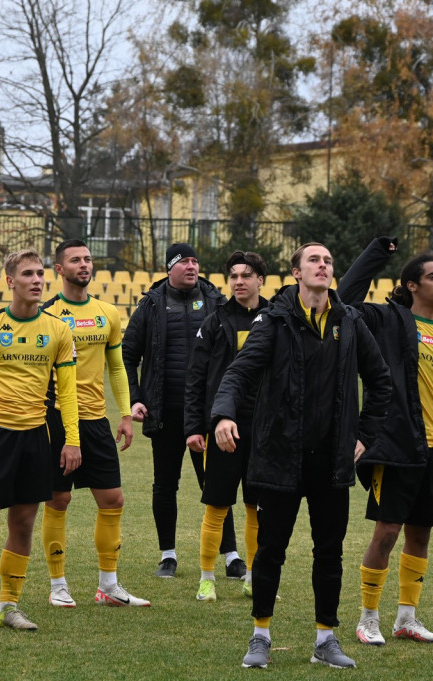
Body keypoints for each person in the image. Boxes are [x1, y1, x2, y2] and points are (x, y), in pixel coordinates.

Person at [212, 242, 392, 670]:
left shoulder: (349, 321)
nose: (323, 265)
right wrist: (222, 415)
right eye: (314, 259)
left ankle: (325, 640)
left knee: (328, 553)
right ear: (296, 272)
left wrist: (364, 434)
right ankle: (261, 637)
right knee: (271, 550)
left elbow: (381, 382)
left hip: (332, 462)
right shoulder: (274, 321)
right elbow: (238, 372)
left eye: (329, 260)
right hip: (279, 457)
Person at [336, 237, 433, 647]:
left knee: (420, 535)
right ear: (411, 285)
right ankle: (368, 618)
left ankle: (407, 618)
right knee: (386, 531)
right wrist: (376, 252)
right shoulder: (387, 321)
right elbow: (344, 299)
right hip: (396, 444)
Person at [0, 249, 80, 633]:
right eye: (28, 274)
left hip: (37, 437)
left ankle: (9, 605)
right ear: (10, 281)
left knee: (23, 522)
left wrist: (71, 440)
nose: (37, 281)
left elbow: (68, 393)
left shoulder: (58, 329)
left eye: (40, 274)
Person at [39, 240, 150, 608]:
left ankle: (108, 586)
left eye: (87, 259)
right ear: (59, 269)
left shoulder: (107, 312)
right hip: (55, 419)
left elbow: (117, 366)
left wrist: (124, 414)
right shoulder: (49, 314)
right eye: (75, 260)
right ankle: (58, 585)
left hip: (96, 419)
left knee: (113, 499)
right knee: (59, 498)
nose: (84, 264)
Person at [122, 242, 239, 578]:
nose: (192, 266)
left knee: (216, 482)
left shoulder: (217, 302)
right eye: (184, 261)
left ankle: (231, 555)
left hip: (207, 415)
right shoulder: (151, 304)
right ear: (170, 268)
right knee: (164, 484)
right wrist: (135, 397)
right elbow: (128, 355)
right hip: (166, 411)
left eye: (195, 261)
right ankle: (168, 555)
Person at [184, 251, 269, 603]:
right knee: (217, 506)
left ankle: (253, 577)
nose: (239, 281)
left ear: (261, 280)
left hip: (263, 430)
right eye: (233, 276)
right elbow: (196, 377)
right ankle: (207, 579)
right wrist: (193, 427)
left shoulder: (276, 318)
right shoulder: (216, 320)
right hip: (222, 429)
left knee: (256, 507)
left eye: (246, 275)